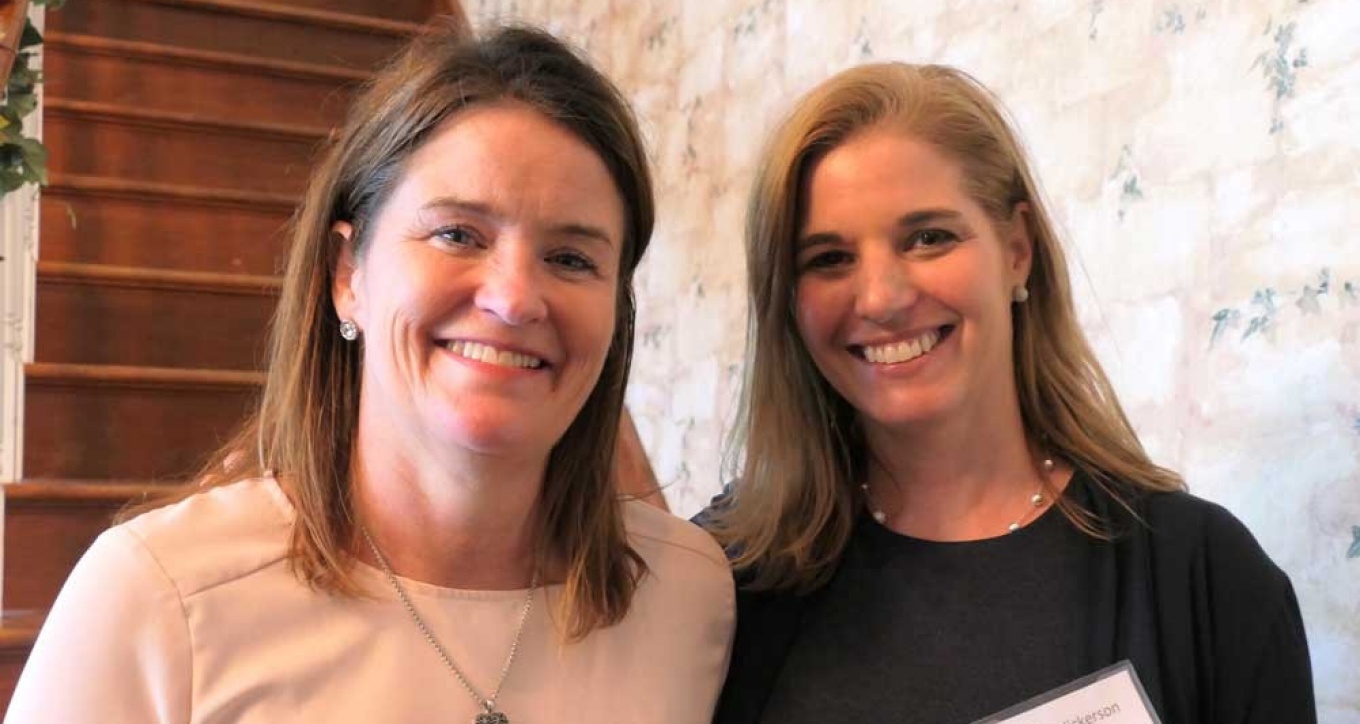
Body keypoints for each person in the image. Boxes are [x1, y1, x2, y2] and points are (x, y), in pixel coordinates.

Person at [6, 21, 732, 724]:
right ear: (347, 273)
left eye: (572, 258)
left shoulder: (688, 597)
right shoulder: (159, 600)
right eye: (457, 234)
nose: (513, 299)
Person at [703, 62, 1314, 723]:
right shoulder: (728, 584)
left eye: (928, 238)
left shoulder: (1200, 575)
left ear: (1016, 248)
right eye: (828, 259)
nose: (881, 298)